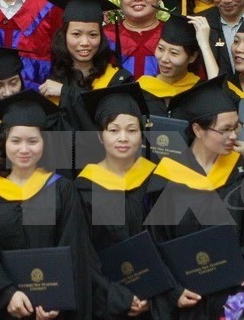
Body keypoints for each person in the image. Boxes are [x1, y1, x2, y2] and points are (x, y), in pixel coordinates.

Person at [0, 90, 93, 319]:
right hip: (4, 308)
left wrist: (56, 299)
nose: (24, 149)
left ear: (44, 143)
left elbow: (73, 247)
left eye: (33, 141)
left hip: (54, 309)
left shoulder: (61, 189)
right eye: (16, 141)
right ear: (4, 143)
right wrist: (7, 294)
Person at [145, 77, 244, 319]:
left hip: (234, 297)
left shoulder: (242, 172)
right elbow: (157, 243)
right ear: (198, 129)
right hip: (189, 299)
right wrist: (172, 291)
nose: (233, 136)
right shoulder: (170, 176)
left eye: (236, 127)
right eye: (225, 130)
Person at [77, 83, 155, 319]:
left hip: (157, 299)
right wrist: (117, 298)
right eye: (113, 130)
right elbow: (84, 255)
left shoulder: (158, 181)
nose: (123, 138)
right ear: (101, 136)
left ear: (142, 135)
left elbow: (169, 242)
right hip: (106, 304)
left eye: (132, 130)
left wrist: (157, 294)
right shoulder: (84, 189)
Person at [40, 0, 133, 129]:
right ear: (64, 36)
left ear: (101, 38)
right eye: (76, 34)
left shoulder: (118, 80)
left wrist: (65, 93)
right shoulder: (53, 77)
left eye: (93, 35)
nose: (85, 42)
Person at [138, 12, 218, 117]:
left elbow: (219, 99)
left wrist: (204, 45)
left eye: (174, 53)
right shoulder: (141, 89)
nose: (164, 58)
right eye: (161, 49)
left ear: (192, 57)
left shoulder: (199, 90)